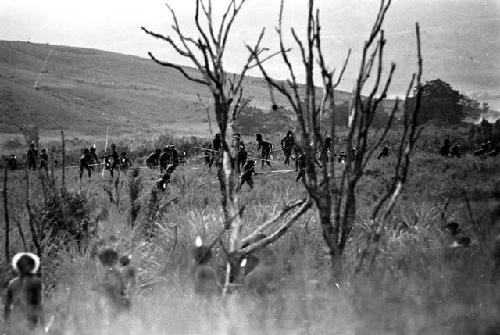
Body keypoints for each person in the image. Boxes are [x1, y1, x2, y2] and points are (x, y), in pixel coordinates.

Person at [4, 252, 45, 333]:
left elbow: (7, 306)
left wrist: (7, 322)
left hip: (25, 318)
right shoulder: (34, 282)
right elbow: (39, 304)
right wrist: (43, 323)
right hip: (23, 319)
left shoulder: (14, 283)